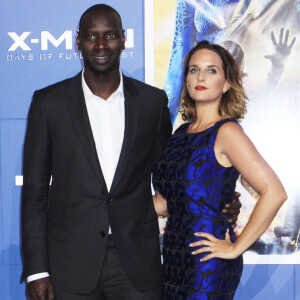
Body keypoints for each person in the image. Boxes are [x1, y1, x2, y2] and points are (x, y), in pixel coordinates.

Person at [21, 5, 241, 300]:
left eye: (110, 35)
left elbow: (173, 177)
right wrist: (37, 270)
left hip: (137, 264)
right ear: (78, 41)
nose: (101, 45)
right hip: (69, 264)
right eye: (91, 36)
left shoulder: (152, 103)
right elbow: (34, 193)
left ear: (124, 39)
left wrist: (218, 199)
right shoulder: (49, 103)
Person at [153, 41, 287, 299]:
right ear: (187, 81)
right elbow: (165, 203)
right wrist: (108, 206)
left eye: (211, 70)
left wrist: (235, 248)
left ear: (226, 83)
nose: (201, 76)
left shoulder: (227, 132)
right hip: (173, 259)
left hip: (208, 263)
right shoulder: (180, 134)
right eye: (194, 70)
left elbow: (275, 192)